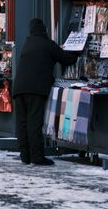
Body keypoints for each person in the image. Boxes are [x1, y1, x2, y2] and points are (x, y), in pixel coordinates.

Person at [12, 18, 78, 165]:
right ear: (44, 30)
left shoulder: (27, 44)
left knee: (22, 124)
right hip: (35, 90)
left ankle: (25, 156)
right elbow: (67, 59)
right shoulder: (47, 44)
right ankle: (37, 157)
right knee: (34, 123)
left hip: (18, 89)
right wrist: (76, 52)